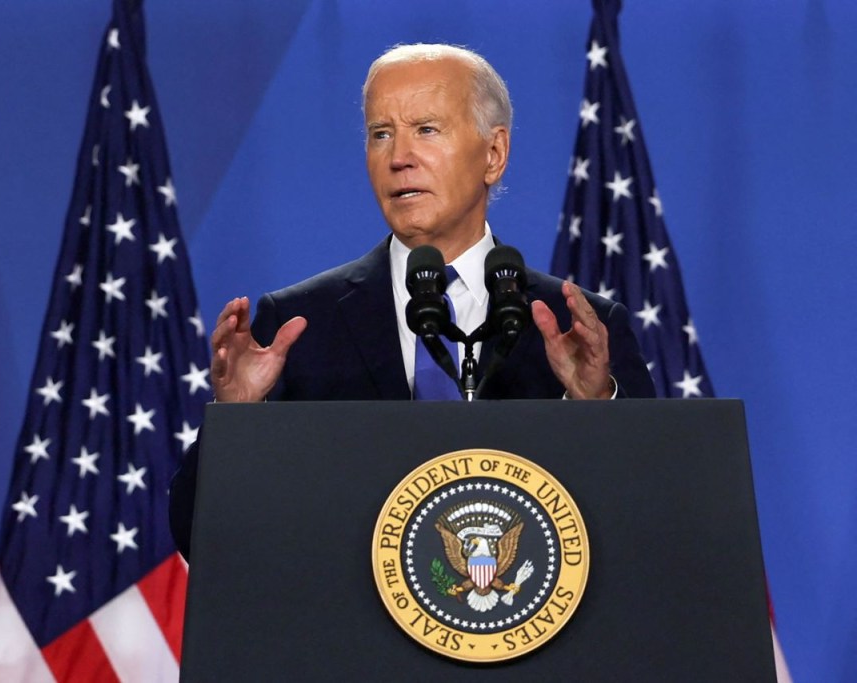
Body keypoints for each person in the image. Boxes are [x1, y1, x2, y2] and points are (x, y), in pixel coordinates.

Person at [170, 44, 654, 556]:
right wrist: (237, 422)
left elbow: (653, 522)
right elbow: (200, 541)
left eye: (426, 129)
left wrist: (598, 408)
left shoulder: (581, 329)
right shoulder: (294, 327)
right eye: (381, 134)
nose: (399, 158)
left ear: (494, 154)